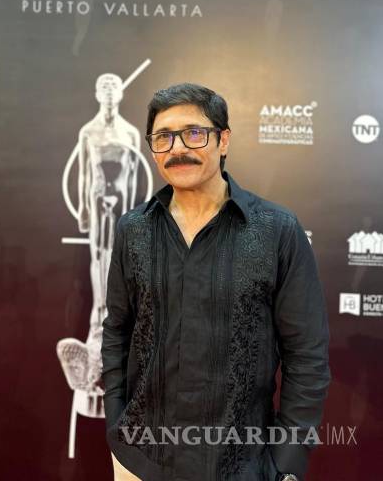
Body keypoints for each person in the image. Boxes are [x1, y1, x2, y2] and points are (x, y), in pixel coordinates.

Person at [101, 83, 331, 481]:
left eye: (194, 133)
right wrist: (117, 427)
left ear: (223, 140)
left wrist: (287, 463)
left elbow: (307, 355)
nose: (177, 149)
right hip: (141, 461)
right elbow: (117, 332)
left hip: (242, 466)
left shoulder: (276, 230)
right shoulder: (133, 229)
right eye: (163, 137)